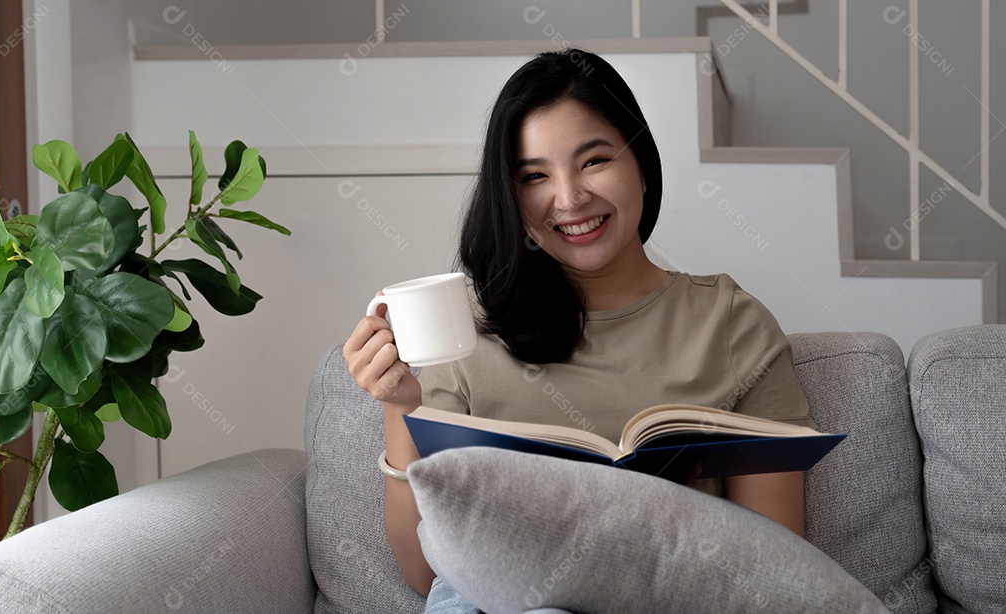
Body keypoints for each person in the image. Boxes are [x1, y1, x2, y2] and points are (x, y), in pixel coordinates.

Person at [343, 47, 816, 614]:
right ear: (513, 201)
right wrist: (401, 406)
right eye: (535, 175)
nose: (569, 199)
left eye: (593, 161)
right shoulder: (463, 331)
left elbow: (776, 568)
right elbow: (424, 574)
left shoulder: (731, 324)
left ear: (640, 161)